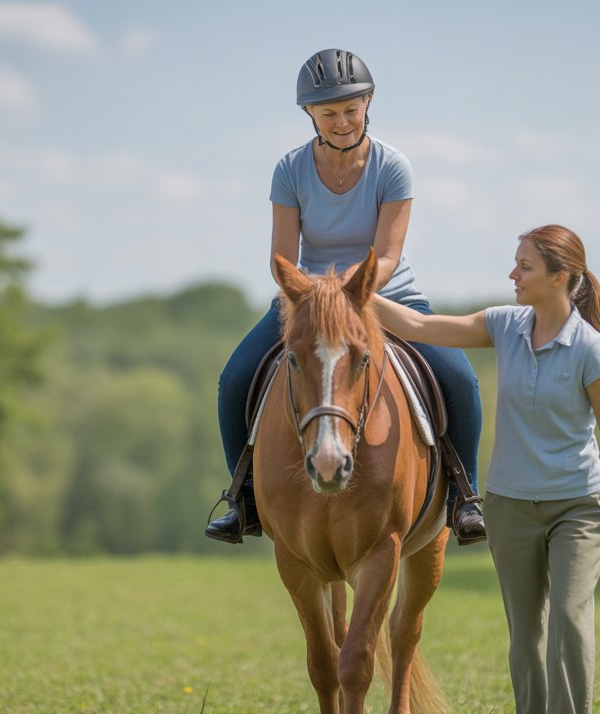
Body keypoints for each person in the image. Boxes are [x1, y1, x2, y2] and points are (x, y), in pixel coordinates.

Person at [371, 224, 600, 714]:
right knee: (527, 637)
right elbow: (423, 326)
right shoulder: (505, 325)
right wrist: (349, 292)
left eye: (523, 266)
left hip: (578, 504)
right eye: (514, 264)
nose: (512, 275)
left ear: (560, 277)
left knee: (569, 626)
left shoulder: (590, 348)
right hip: (509, 505)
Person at [205, 48, 486, 546]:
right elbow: (282, 257)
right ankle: (243, 497)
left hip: (383, 295)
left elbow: (387, 256)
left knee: (459, 379)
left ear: (369, 102)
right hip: (307, 301)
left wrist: (349, 290)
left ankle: (465, 496)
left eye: (351, 109)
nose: (341, 121)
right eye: (329, 112)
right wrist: (316, 295)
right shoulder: (289, 170)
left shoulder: (393, 166)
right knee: (234, 380)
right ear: (310, 115)